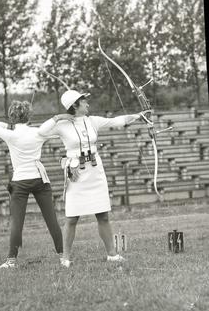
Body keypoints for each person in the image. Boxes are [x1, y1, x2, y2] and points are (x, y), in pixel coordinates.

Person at [38, 90, 144, 268]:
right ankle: (66, 258)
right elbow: (41, 132)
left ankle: (112, 254)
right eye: (84, 102)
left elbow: (116, 122)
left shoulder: (92, 120)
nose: (88, 104)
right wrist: (58, 117)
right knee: (72, 218)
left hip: (95, 172)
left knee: (102, 214)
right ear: (75, 105)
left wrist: (139, 116)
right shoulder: (62, 124)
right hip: (75, 172)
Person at [0, 100, 63, 269]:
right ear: (29, 116)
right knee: (51, 219)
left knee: (16, 222)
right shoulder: (37, 132)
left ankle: (12, 260)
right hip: (39, 179)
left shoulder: (10, 134)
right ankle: (63, 256)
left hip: (20, 181)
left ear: (12, 117)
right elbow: (56, 133)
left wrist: (10, 125)